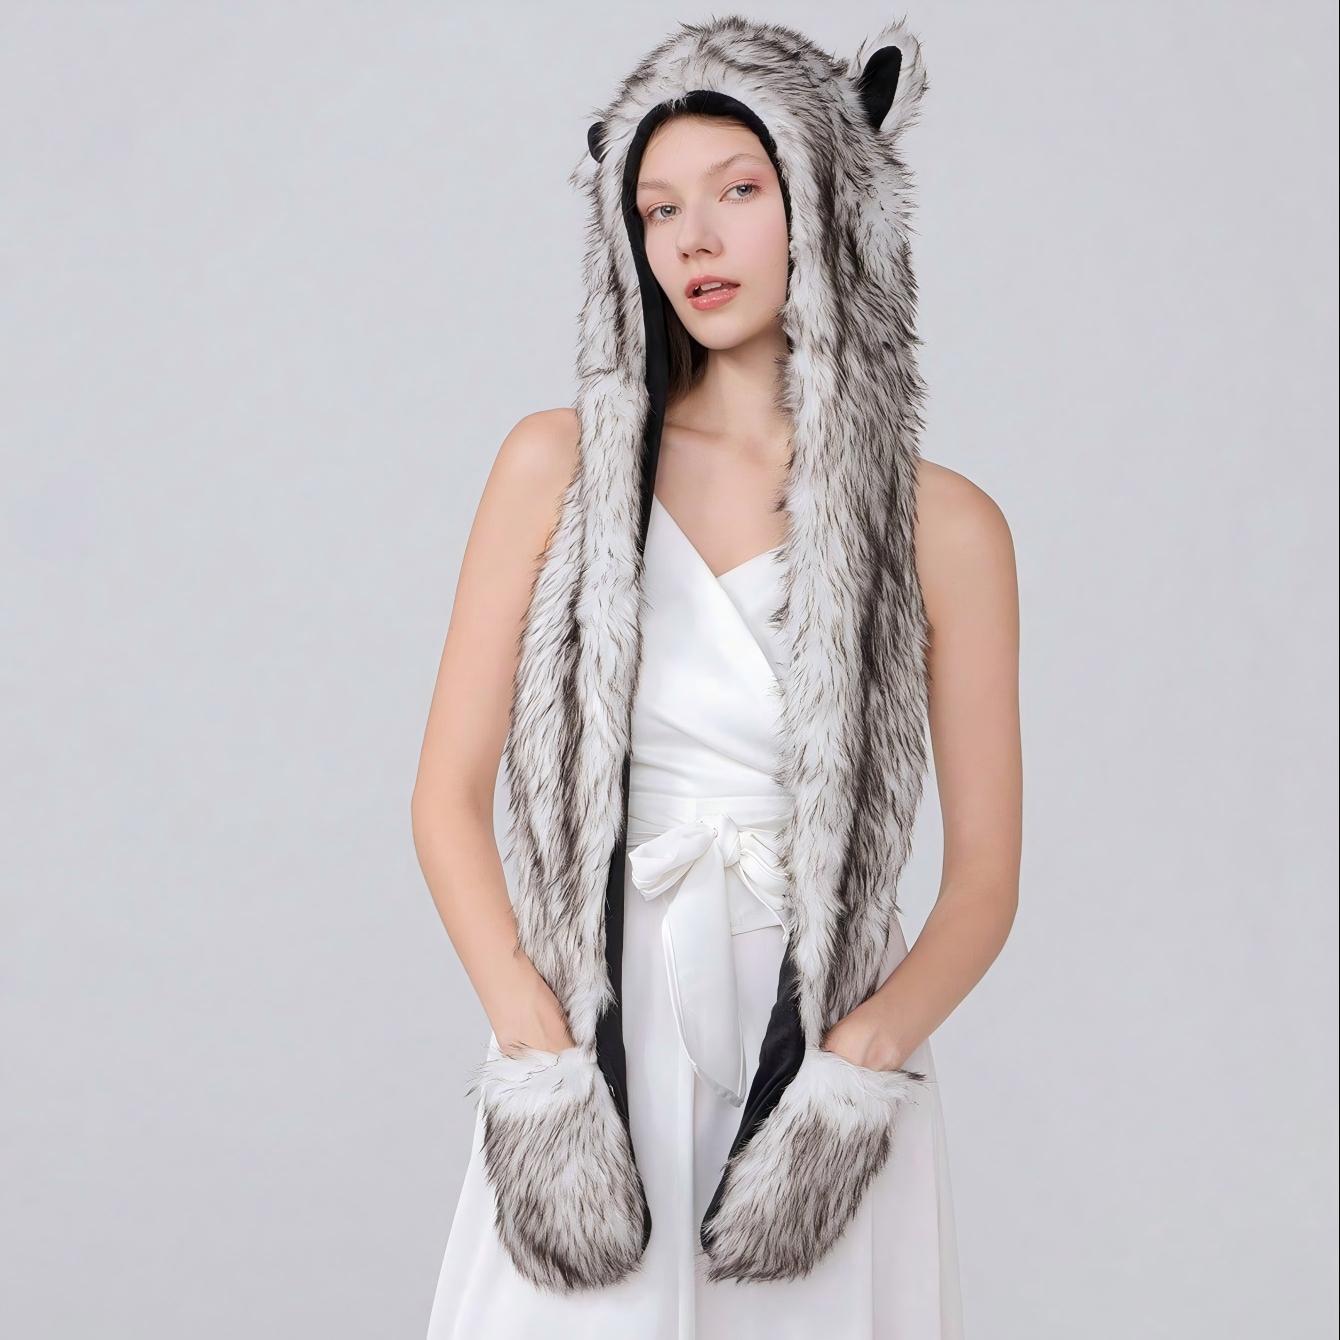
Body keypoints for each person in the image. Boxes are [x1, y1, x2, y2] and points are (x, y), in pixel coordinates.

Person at [412, 16, 1020, 1338]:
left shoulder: (947, 526)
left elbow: (983, 882)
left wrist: (853, 1074)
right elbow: (445, 796)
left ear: (828, 196)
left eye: (739, 190)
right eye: (658, 207)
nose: (694, 239)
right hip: (603, 1032)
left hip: (820, 1049)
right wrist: (536, 1043)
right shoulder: (554, 466)